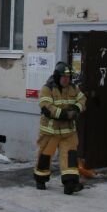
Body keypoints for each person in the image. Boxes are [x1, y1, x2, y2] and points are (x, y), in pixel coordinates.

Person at [33, 61, 87, 194]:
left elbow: (82, 100)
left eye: (68, 77)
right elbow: (47, 108)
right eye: (64, 77)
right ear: (57, 76)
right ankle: (41, 179)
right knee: (45, 156)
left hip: (68, 132)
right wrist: (65, 114)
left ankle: (70, 184)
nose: (66, 79)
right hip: (50, 131)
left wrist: (76, 109)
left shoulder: (73, 88)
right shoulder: (47, 89)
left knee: (69, 157)